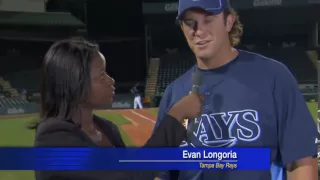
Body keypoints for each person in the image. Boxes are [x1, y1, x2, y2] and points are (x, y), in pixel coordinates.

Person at [153, 0, 318, 180]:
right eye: (190, 23)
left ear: (228, 22)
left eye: (208, 20)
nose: (198, 31)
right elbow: (160, 169)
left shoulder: (273, 77)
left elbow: (300, 161)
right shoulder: (174, 93)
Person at [29, 38, 204, 180]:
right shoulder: (52, 138)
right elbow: (129, 175)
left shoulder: (107, 128)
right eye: (101, 75)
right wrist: (176, 115)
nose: (111, 80)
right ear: (75, 83)